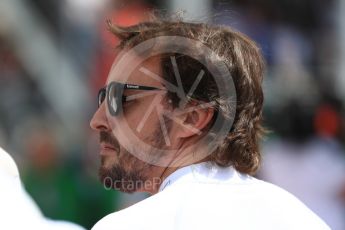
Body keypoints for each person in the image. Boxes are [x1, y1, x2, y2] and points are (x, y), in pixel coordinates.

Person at [90, 19, 330, 229]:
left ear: (191, 118)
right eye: (103, 97)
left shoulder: (130, 225)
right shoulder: (303, 219)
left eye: (119, 98)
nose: (97, 121)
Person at [0, 147, 85, 230]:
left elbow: (69, 210)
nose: (43, 157)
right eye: (40, 154)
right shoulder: (29, 179)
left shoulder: (65, 181)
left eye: (46, 153)